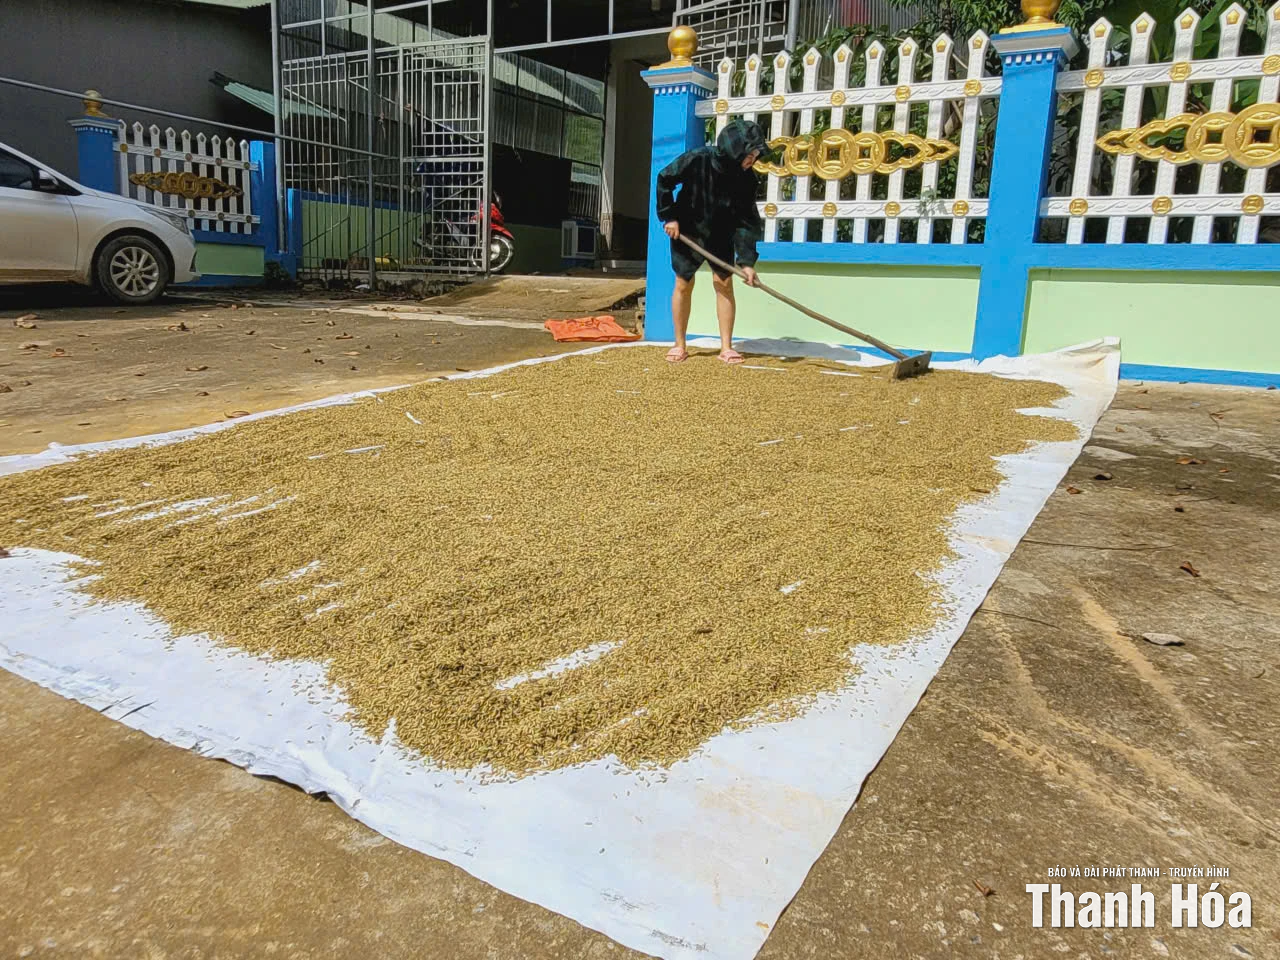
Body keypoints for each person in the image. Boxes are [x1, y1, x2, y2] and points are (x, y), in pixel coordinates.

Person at [656, 119, 768, 364]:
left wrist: (747, 261)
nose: (753, 161)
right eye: (750, 155)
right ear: (734, 150)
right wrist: (670, 217)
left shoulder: (747, 179)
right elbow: (664, 178)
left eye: (756, 156)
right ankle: (680, 344)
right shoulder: (698, 159)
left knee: (724, 283)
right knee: (683, 283)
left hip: (721, 233)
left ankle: (726, 347)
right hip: (688, 229)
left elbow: (747, 221)